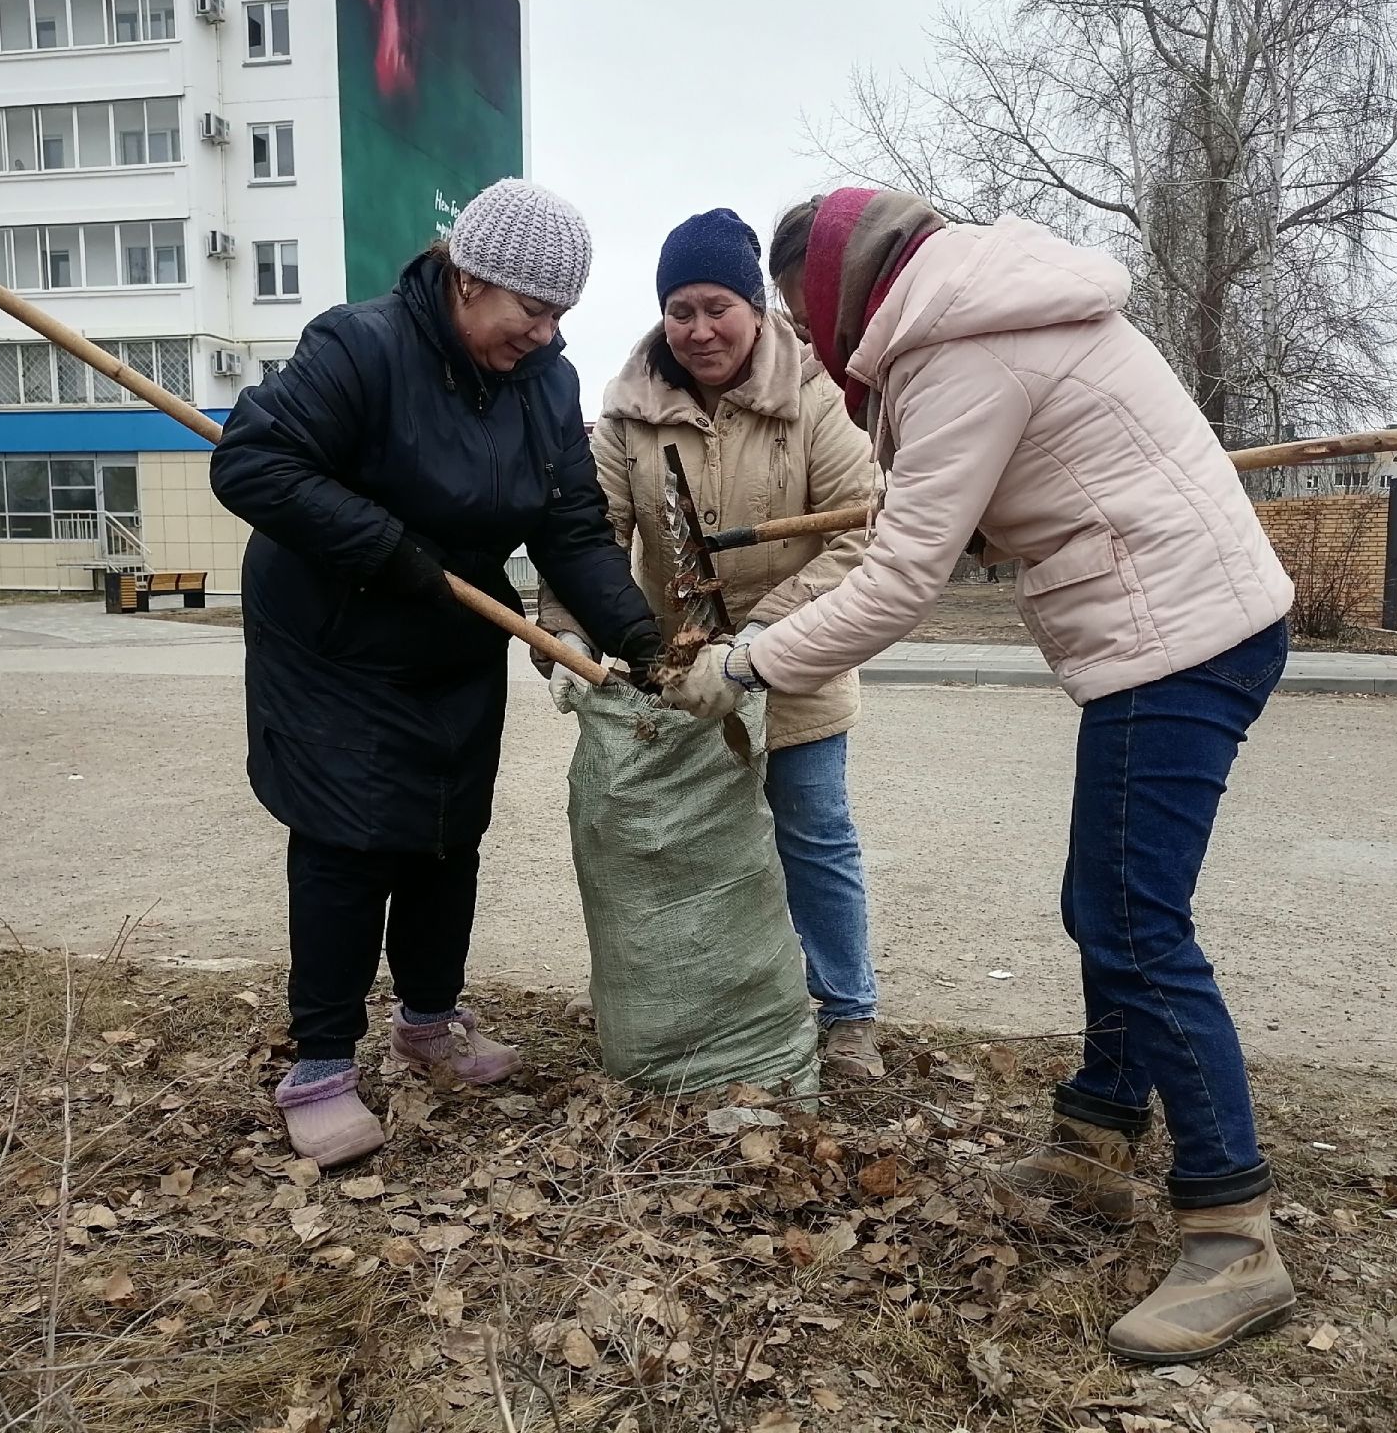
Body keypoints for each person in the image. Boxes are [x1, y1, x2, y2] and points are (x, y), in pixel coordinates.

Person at [664, 189, 1297, 1363]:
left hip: (1180, 636)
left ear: (832, 296)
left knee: (1131, 919)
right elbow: (977, 514)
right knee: (1105, 903)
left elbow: (904, 580)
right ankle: (1098, 1135)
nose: (820, 353)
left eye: (805, 324)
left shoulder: (963, 350)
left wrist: (748, 664)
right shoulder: (977, 313)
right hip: (1183, 622)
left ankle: (1233, 1233)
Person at [211, 179, 664, 1170]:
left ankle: (428, 1024)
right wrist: (383, 546)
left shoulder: (545, 384)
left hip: (453, 630)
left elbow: (569, 525)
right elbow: (251, 464)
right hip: (334, 634)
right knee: (347, 838)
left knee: (447, 829)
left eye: (561, 316)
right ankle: (321, 1062)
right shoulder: (359, 349)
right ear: (467, 279)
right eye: (531, 310)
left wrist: (638, 632)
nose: (544, 335)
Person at [537, 208, 886, 1079]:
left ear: (758, 306)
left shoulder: (815, 396)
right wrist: (566, 624)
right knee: (676, 843)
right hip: (679, 677)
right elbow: (593, 528)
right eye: (679, 309)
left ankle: (847, 1012)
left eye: (717, 306)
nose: (698, 330)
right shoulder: (629, 411)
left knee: (812, 833)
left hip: (797, 659)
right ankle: (699, 1012)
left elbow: (861, 535)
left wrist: (769, 637)